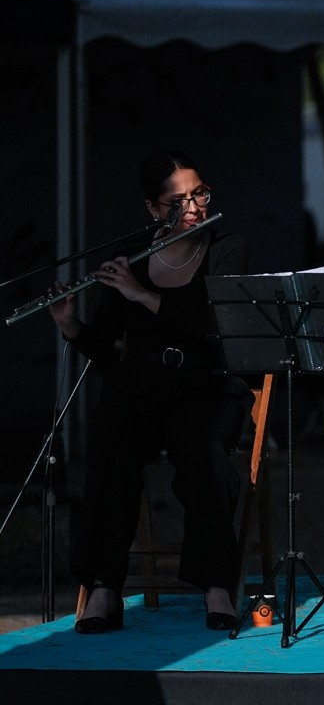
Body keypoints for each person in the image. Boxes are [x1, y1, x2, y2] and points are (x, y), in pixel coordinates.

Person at [49, 150, 250, 634]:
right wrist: (72, 325)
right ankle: (103, 588)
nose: (195, 206)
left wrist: (143, 297)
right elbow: (107, 349)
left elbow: (218, 328)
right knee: (109, 446)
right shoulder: (130, 261)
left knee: (204, 455)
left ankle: (216, 584)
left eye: (199, 193)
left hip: (205, 385)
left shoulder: (226, 249)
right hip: (139, 384)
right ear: (154, 209)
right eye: (178, 200)